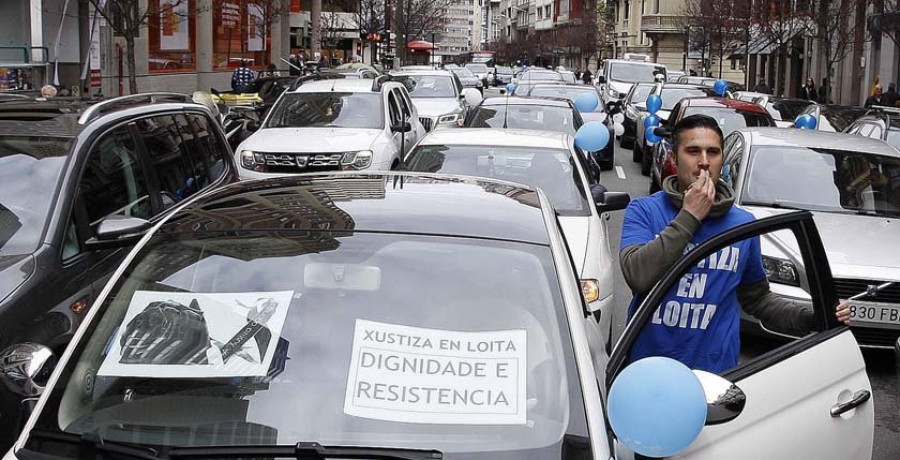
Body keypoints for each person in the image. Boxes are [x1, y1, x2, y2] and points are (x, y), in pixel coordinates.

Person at [619, 114, 851, 374]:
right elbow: (637, 276)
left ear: (722, 159)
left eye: (713, 152)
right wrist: (690, 216)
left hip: (715, 373)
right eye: (693, 151)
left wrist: (815, 316)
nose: (704, 162)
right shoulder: (645, 211)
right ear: (673, 158)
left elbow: (758, 300)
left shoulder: (743, 223)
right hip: (648, 369)